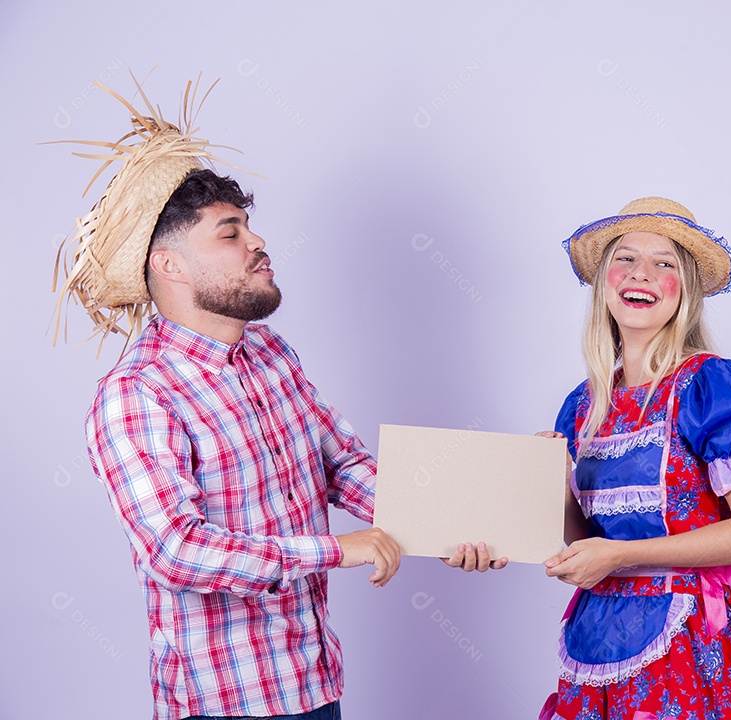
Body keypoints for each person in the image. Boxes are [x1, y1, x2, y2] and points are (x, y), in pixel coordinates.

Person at [55, 77, 501, 720]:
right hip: (224, 701)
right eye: (229, 233)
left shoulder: (269, 354)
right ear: (168, 265)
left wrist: (461, 516)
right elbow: (175, 549)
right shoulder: (137, 393)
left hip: (311, 679)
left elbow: (341, 465)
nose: (258, 244)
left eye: (249, 228)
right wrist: (338, 549)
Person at [538, 197, 731, 720]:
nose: (641, 274)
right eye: (625, 258)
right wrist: (555, 486)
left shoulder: (710, 387)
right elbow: (584, 542)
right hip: (598, 639)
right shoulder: (584, 404)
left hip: (689, 644)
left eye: (665, 263)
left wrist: (620, 557)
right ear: (605, 278)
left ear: (687, 290)